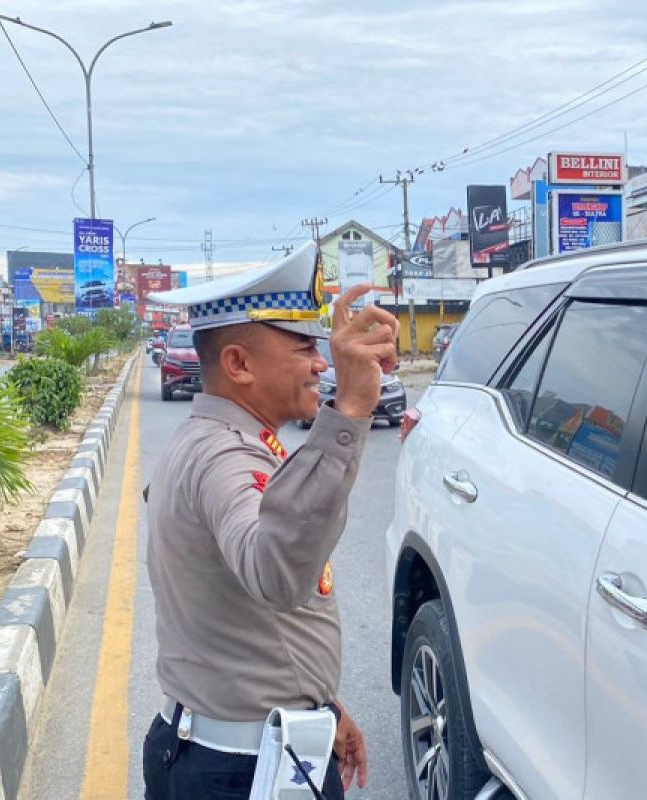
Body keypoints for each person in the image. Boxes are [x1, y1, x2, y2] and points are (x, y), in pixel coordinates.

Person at [142, 242, 397, 799]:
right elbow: (277, 574)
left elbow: (248, 623)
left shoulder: (223, 438)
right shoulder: (223, 457)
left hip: (239, 748)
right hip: (242, 770)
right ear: (238, 363)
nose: (321, 363)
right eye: (303, 346)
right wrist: (349, 411)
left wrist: (317, 704)